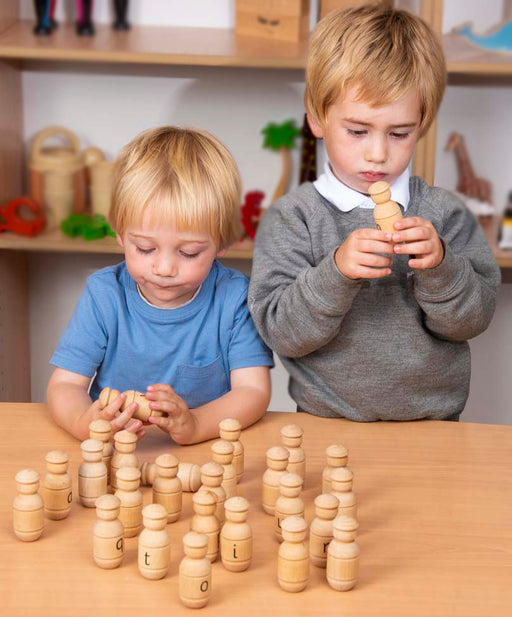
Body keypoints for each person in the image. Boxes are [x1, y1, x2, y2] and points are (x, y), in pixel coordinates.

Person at [248, 6, 500, 422]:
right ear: (317, 119)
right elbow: (281, 334)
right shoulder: (293, 219)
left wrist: (440, 268)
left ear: (422, 125)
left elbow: (472, 321)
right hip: (323, 422)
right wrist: (337, 273)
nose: (378, 153)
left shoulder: (445, 213)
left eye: (399, 133)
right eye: (357, 131)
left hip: (435, 427)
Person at [48, 126, 273, 443]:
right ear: (119, 233)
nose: (164, 268)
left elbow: (253, 391)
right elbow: (64, 386)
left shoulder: (234, 297)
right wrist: (83, 423)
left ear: (224, 242)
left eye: (188, 252)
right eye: (145, 248)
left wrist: (196, 424)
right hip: (120, 455)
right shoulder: (104, 294)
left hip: (205, 453)